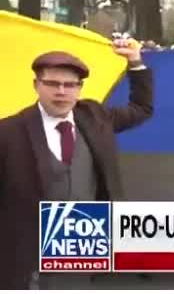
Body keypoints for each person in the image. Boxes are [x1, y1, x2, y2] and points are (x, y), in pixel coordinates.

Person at [0, 40, 153, 289]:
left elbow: (141, 108)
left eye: (70, 85)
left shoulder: (95, 117)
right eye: (52, 84)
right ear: (36, 85)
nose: (62, 91)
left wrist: (135, 62)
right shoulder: (8, 132)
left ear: (80, 88)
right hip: (28, 258)